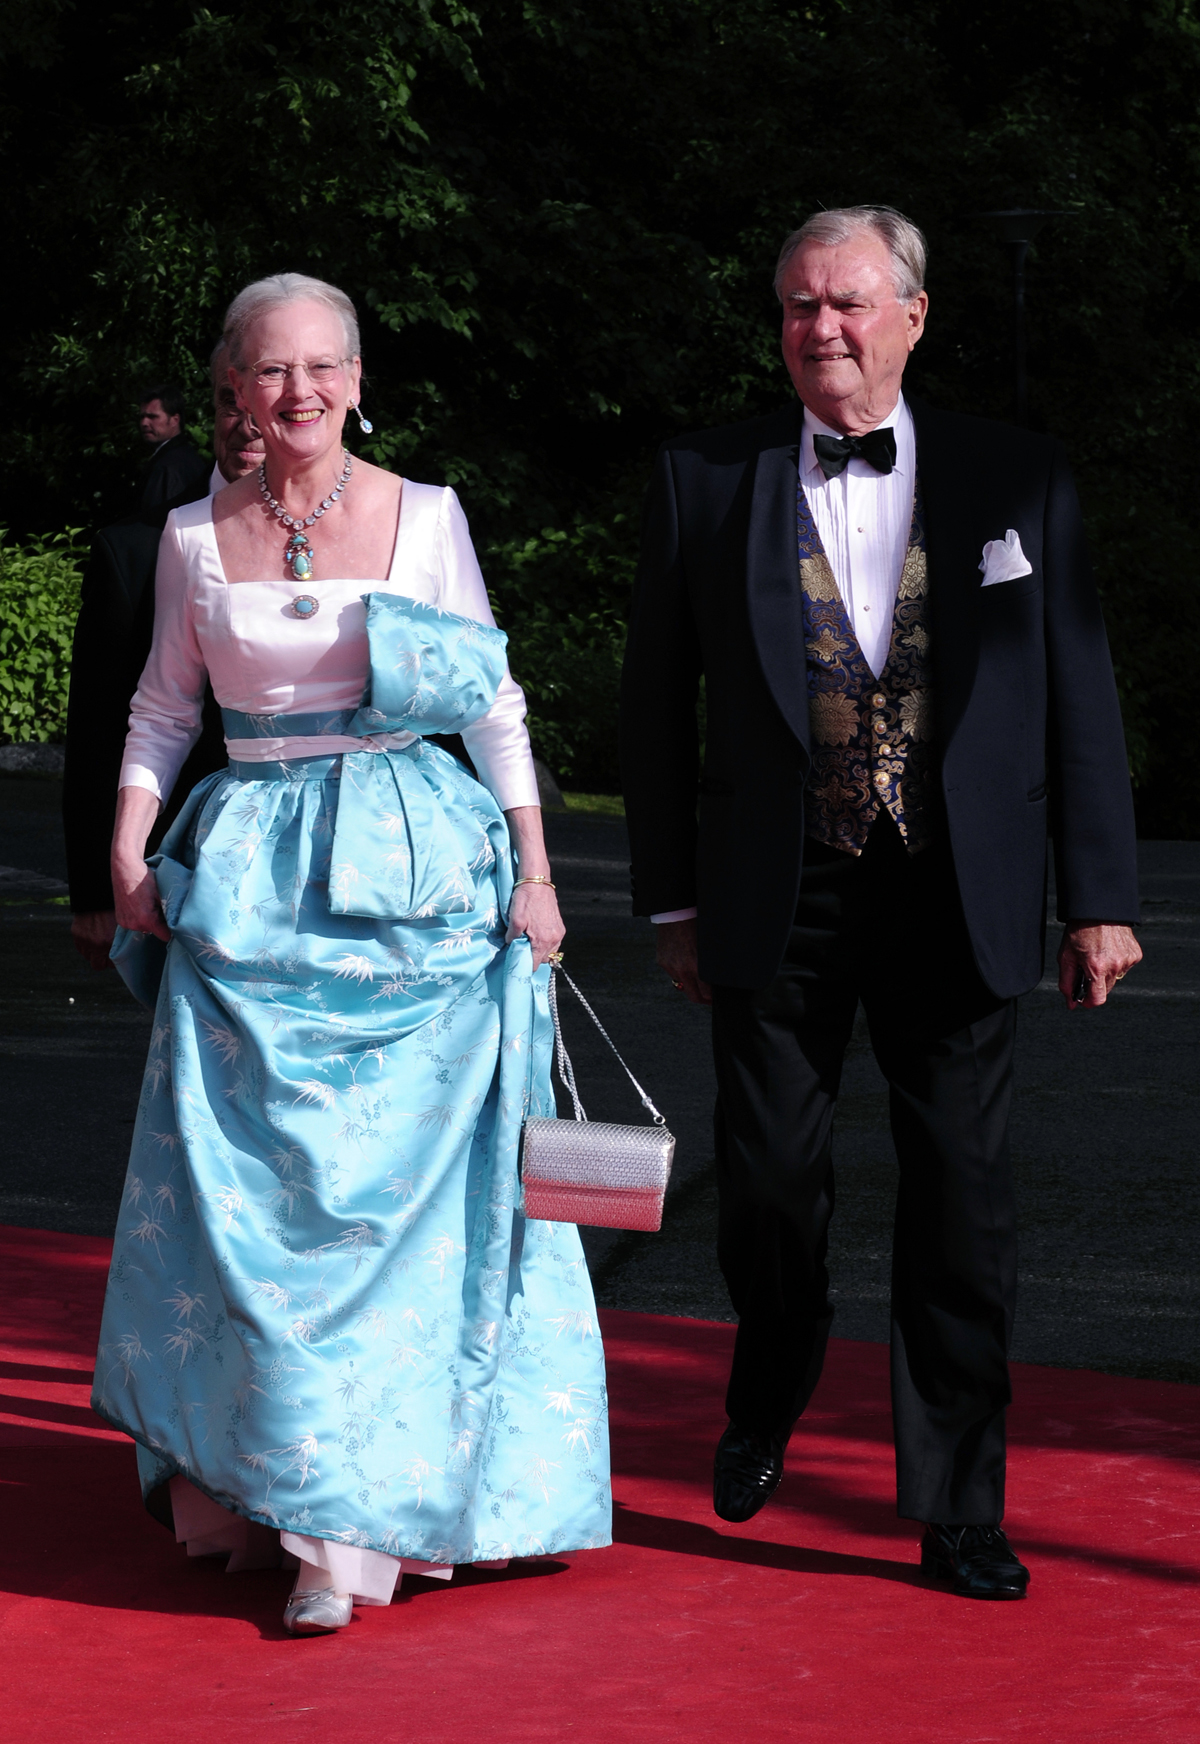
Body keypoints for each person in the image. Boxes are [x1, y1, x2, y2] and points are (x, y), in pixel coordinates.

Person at [619, 206, 1141, 1601]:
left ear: (913, 312)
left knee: (964, 1202)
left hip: (959, 887)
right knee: (771, 1189)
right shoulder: (703, 477)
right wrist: (667, 900)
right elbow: (654, 711)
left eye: (846, 302)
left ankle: (960, 1503)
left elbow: (1077, 689)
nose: (820, 328)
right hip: (770, 892)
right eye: (796, 305)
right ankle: (776, 1363)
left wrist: (1100, 896)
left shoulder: (1017, 476)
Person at [91, 273, 610, 1636]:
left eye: (323, 367)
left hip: (421, 889)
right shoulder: (193, 536)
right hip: (250, 894)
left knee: (403, 1219)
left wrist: (540, 878)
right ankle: (276, 1493)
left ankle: (351, 1534)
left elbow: (492, 705)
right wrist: (128, 851)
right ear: (235, 388)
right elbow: (158, 710)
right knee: (265, 1213)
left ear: (360, 378)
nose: (299, 391)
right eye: (271, 370)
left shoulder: (428, 518)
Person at [64, 345, 264, 969]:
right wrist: (96, 889)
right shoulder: (134, 551)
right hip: (175, 868)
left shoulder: (357, 545)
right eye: (231, 403)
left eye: (265, 404)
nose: (249, 423)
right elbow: (99, 725)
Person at [136, 382, 211, 512]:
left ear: (174, 420)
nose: (144, 423)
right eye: (142, 417)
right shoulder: (185, 457)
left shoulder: (169, 467)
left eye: (152, 417)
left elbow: (158, 521)